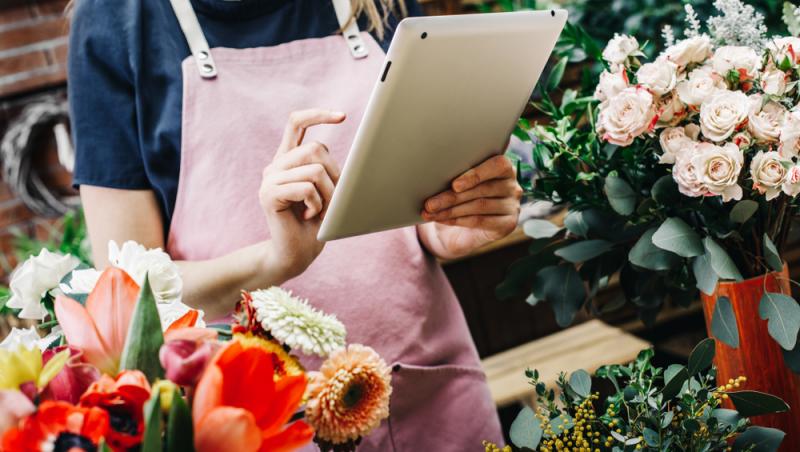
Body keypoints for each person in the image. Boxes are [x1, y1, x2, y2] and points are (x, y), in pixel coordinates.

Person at [68, 0, 521, 449]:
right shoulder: (115, 21)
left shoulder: (378, 5)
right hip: (256, 424)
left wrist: (448, 221)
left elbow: (418, 196)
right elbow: (128, 295)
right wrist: (274, 260)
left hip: (428, 393)